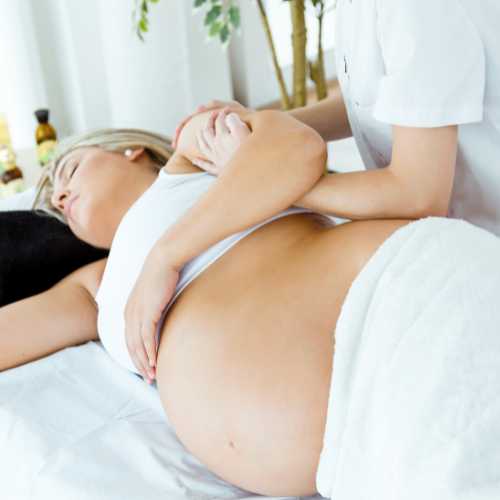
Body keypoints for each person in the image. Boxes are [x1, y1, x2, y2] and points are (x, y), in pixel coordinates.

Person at [1, 109, 499, 497]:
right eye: (52, 204)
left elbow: (298, 148)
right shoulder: (97, 287)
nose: (60, 196)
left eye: (69, 170)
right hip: (356, 455)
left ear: (130, 150)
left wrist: (167, 258)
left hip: (402, 304)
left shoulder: (192, 157)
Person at [175, 0, 500, 238]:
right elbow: (375, 101)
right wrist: (261, 126)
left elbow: (419, 196)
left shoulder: (417, 9)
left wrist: (274, 182)